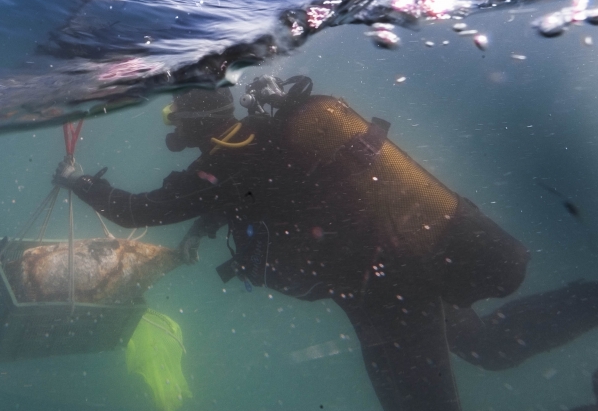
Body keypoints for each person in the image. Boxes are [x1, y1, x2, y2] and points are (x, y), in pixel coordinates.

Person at [55, 76, 598, 411]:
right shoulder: (263, 144)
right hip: (406, 261)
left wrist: (77, 179)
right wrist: (202, 228)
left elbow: (138, 210)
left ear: (196, 124)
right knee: (488, 346)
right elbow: (262, 197)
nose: (170, 128)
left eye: (173, 117)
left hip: (383, 296)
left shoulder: (222, 167)